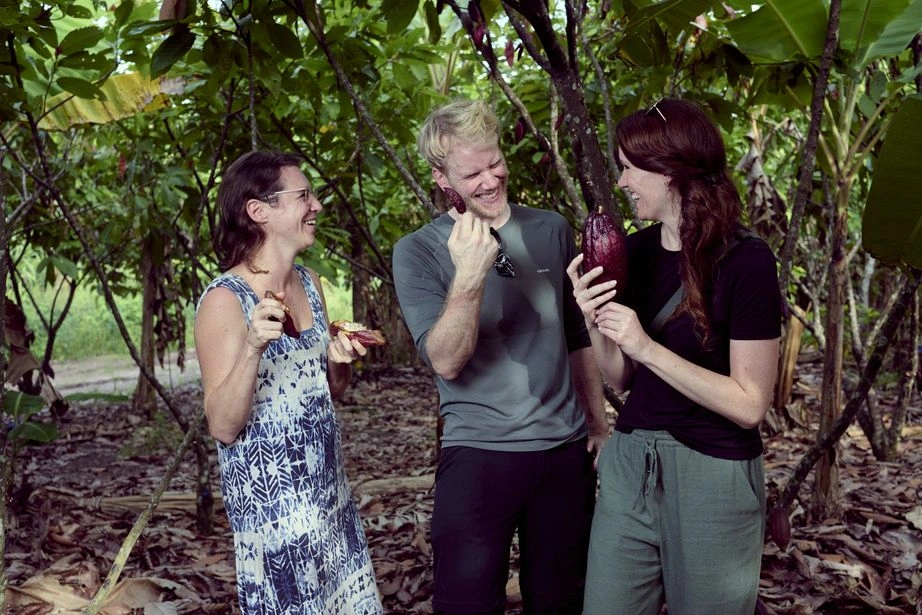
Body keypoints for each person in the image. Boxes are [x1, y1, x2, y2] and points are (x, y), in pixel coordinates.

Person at [392, 99, 609, 615]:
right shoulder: (419, 250)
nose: (490, 180)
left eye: (495, 163)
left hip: (564, 452)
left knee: (560, 601)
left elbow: (575, 336)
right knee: (466, 603)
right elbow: (445, 361)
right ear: (442, 177)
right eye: (472, 173)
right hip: (480, 454)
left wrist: (598, 424)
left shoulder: (551, 229)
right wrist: (468, 273)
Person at [567, 98, 782, 615]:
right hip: (632, 465)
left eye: (629, 168)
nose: (621, 183)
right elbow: (621, 377)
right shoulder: (633, 253)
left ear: (669, 172)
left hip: (714, 471)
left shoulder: (745, 261)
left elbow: (750, 405)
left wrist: (647, 346)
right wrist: (595, 318)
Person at [194, 151, 382, 615]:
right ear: (259, 212)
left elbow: (327, 390)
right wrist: (254, 346)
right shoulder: (223, 300)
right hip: (275, 523)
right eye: (303, 196)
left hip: (329, 502)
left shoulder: (310, 283)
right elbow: (221, 425)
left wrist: (341, 360)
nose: (316, 205)